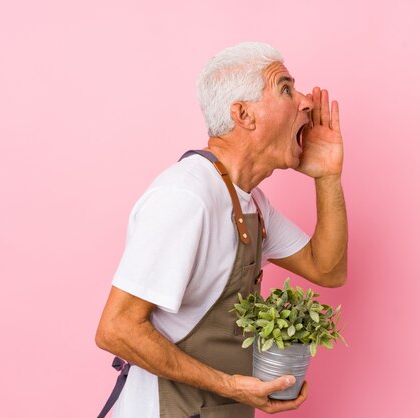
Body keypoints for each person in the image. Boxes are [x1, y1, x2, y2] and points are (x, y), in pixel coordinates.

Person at [95, 41, 348, 418]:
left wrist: (328, 177)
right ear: (244, 114)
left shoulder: (251, 201)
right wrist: (230, 385)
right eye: (285, 88)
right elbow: (116, 329)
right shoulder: (186, 196)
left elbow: (328, 269)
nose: (305, 101)